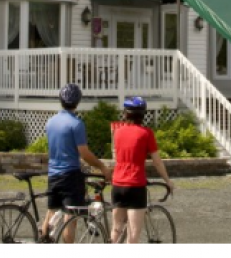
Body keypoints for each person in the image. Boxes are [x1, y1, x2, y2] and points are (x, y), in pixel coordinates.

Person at [42, 83, 111, 243]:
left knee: (51, 211)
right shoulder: (76, 124)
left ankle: (43, 240)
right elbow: (84, 154)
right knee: (69, 218)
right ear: (78, 102)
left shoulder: (50, 122)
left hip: (53, 174)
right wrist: (102, 167)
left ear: (61, 100)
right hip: (70, 175)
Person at [110, 96, 174, 244]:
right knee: (133, 235)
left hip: (118, 184)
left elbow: (116, 156)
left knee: (116, 229)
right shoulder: (146, 133)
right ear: (143, 115)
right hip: (135, 185)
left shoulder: (117, 132)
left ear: (126, 113)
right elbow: (157, 161)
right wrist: (168, 181)